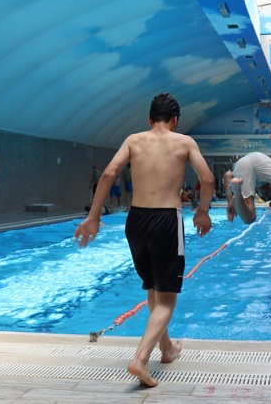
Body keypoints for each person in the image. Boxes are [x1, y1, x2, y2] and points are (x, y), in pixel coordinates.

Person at [74, 93, 214, 388]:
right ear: (175, 120)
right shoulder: (184, 142)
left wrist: (93, 216)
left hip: (136, 221)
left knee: (153, 286)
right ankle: (140, 359)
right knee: (167, 300)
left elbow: (109, 173)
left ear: (149, 119)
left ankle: (167, 349)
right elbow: (208, 179)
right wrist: (202, 212)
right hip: (167, 220)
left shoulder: (133, 140)